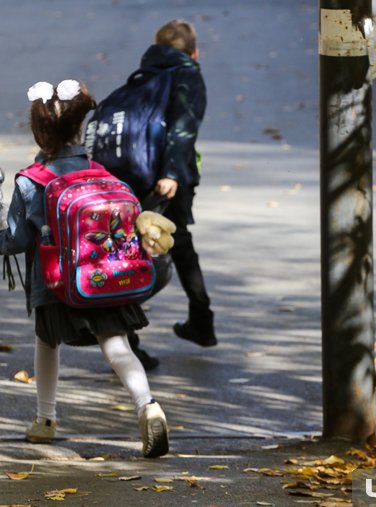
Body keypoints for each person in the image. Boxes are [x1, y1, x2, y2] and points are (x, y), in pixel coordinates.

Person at [0, 79, 170, 457]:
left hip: (56, 284)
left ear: (40, 133)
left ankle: (46, 420)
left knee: (46, 342)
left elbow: (18, 239)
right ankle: (147, 405)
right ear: (79, 129)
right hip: (107, 277)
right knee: (117, 346)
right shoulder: (104, 176)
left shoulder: (31, 181)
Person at [125, 19, 217, 369]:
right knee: (166, 245)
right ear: (195, 51)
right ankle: (198, 321)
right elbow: (183, 128)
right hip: (169, 176)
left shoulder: (144, 73)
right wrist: (172, 172)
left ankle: (132, 338)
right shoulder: (188, 74)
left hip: (135, 172)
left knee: (136, 247)